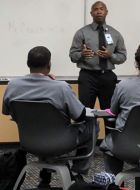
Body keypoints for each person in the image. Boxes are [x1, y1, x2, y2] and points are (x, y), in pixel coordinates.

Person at [2, 46, 97, 187]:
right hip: (61, 142)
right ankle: (78, 173)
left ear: (28, 64)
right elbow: (79, 116)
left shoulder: (12, 86)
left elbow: (6, 111)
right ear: (49, 65)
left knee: (43, 127)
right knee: (91, 124)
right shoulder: (61, 87)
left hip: (29, 141)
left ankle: (45, 177)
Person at [99, 39, 140, 175]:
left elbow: (113, 111)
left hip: (125, 146)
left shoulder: (123, 86)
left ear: (136, 63)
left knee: (107, 145)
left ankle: (113, 183)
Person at [69, 1, 127, 125]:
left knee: (110, 114)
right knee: (85, 113)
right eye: (95, 9)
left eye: (101, 9)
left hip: (107, 77)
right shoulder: (82, 33)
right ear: (91, 13)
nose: (99, 11)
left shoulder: (115, 34)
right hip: (87, 77)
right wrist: (81, 54)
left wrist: (110, 55)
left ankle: (109, 143)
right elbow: (72, 56)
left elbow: (123, 57)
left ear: (106, 12)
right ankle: (86, 143)